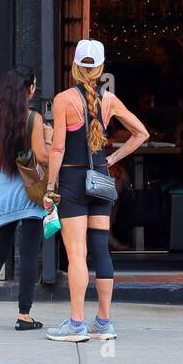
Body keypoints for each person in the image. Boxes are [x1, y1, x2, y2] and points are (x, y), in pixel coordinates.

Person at [43, 40, 149, 342]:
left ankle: (76, 323)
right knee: (101, 249)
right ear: (100, 69)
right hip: (101, 180)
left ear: (75, 67)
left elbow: (59, 147)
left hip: (74, 181)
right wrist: (112, 158)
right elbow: (142, 133)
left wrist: (50, 186)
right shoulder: (110, 100)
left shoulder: (65, 99)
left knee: (77, 255)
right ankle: (103, 322)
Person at [0, 66, 52, 330]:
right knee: (28, 256)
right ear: (29, 89)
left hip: (3, 193)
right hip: (31, 194)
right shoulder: (34, 119)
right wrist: (49, 139)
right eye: (34, 85)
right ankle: (23, 316)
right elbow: (41, 157)